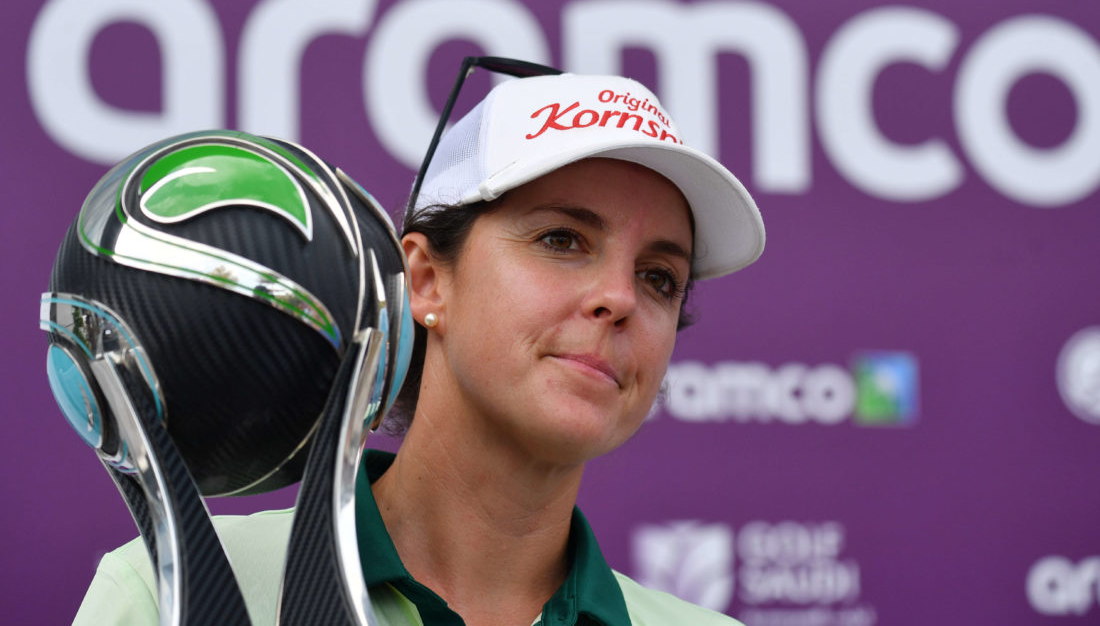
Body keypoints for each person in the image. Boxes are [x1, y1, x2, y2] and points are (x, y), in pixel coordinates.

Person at [73, 64, 765, 625]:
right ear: (427, 280)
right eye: (562, 239)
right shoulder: (169, 592)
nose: (619, 297)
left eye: (659, 278)